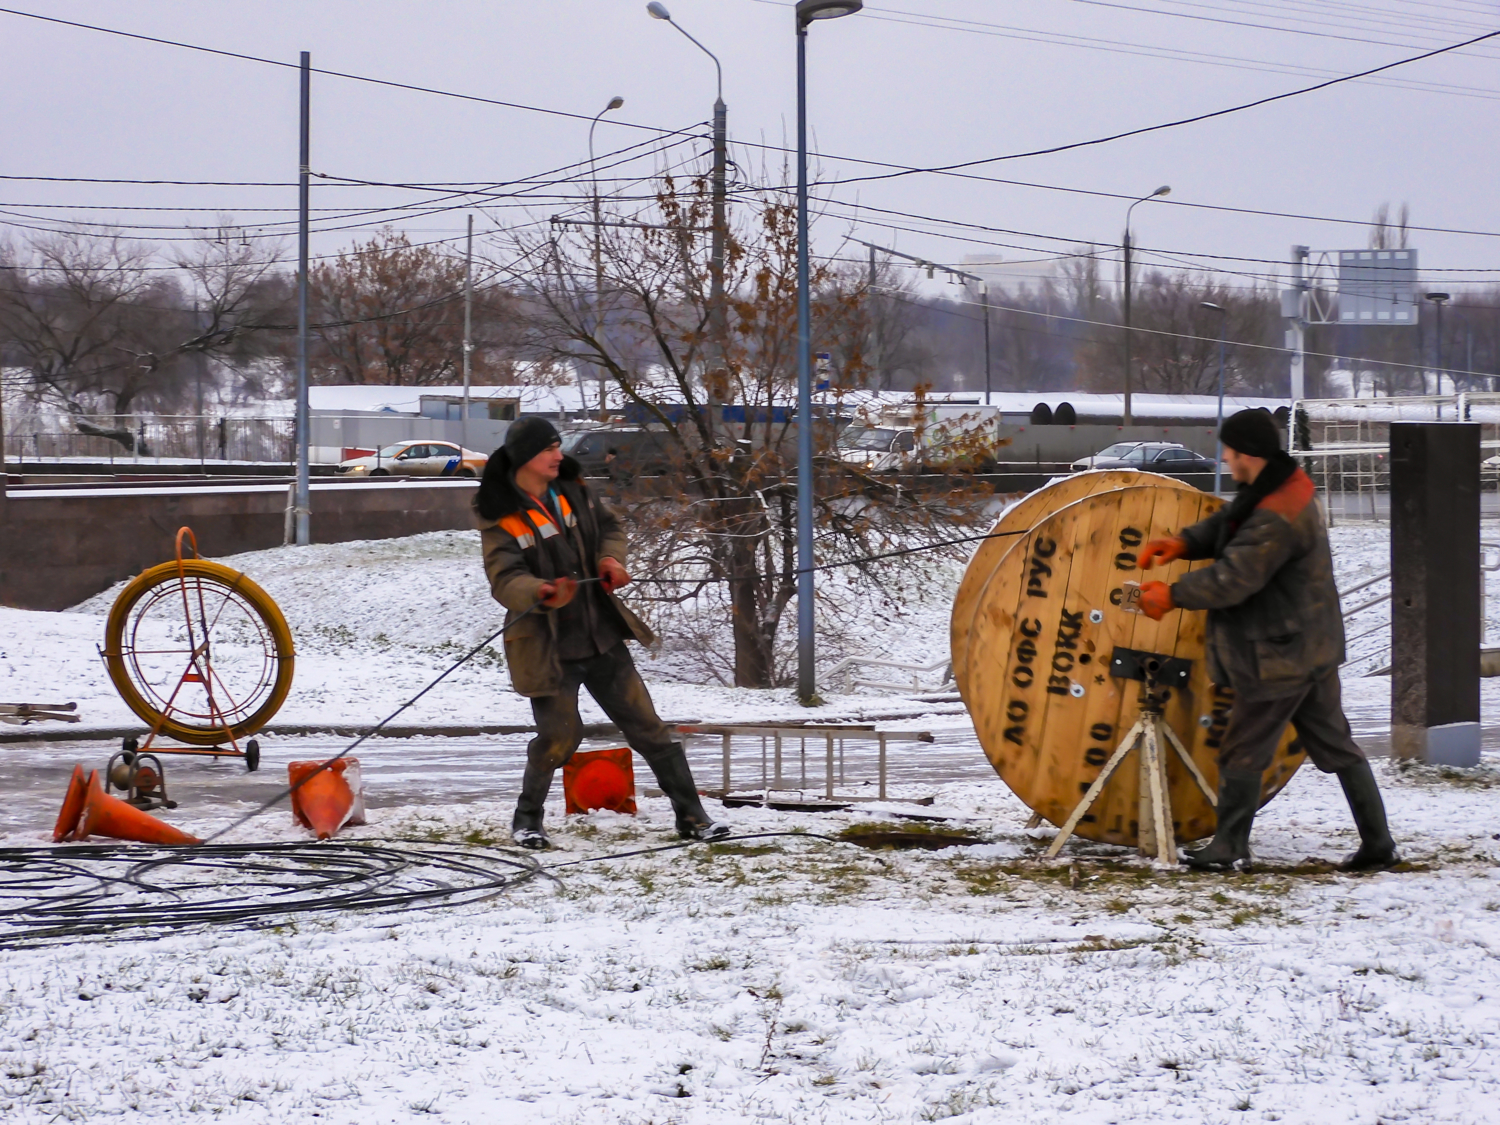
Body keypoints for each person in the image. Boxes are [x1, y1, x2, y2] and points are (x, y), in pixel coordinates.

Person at [1135, 408, 1398, 873]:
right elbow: (1233, 524)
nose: (1225, 458)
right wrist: (1183, 543)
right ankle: (1379, 843)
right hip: (1308, 644)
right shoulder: (1279, 485)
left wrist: (1171, 595)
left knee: (1243, 747)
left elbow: (1235, 578)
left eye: (1229, 451)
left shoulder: (1278, 515)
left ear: (1246, 454)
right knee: (1336, 745)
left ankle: (1230, 844)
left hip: (1278, 655)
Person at [474, 416, 729, 849]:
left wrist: (611, 560)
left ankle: (692, 816)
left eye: (558, 446)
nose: (559, 455)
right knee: (560, 737)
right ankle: (528, 819)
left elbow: (611, 529)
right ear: (524, 459)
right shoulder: (500, 512)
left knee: (649, 728)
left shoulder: (574, 490)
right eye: (549, 449)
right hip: (548, 645)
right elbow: (504, 579)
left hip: (600, 634)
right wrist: (541, 590)